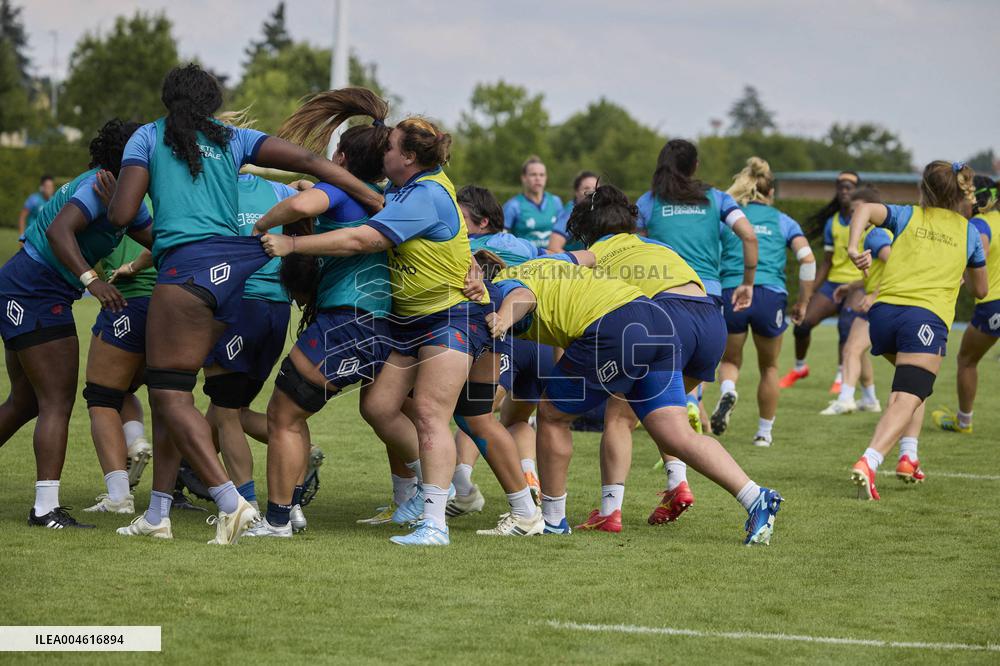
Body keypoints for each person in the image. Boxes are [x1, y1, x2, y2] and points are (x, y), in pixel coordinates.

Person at [105, 64, 381, 545]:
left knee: (170, 395)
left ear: (168, 98)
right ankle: (158, 512)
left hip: (185, 272)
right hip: (238, 272)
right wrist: (375, 200)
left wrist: (125, 207)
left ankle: (232, 504)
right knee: (179, 395)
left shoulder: (146, 137)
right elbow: (315, 165)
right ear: (214, 100)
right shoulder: (235, 138)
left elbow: (124, 215)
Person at [484, 190, 783, 544]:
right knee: (675, 432)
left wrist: (503, 314)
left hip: (641, 321)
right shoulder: (655, 245)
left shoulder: (571, 259)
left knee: (557, 414)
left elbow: (542, 281)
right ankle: (754, 496)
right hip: (699, 321)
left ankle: (557, 519)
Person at [261, 115, 492, 546]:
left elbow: (360, 240)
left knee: (428, 412)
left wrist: (291, 244)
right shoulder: (404, 189)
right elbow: (369, 199)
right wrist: (308, 184)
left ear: (406, 156)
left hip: (450, 314)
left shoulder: (424, 195)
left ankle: (437, 522)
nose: (383, 152)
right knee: (380, 406)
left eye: (390, 147)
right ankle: (440, 491)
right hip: (409, 318)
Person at [243, 87, 401, 538]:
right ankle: (289, 511)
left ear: (343, 159)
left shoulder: (338, 192)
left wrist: (263, 224)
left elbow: (298, 206)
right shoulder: (380, 197)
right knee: (292, 414)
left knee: (282, 415)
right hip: (374, 324)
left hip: (346, 321)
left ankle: (276, 520)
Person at [0, 118, 151, 529]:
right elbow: (58, 231)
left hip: (29, 287)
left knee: (27, 401)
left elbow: (159, 239)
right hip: (35, 290)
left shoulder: (123, 194)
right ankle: (45, 510)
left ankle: (45, 506)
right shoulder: (98, 186)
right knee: (55, 401)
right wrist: (93, 281)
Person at [559, 185, 730, 531]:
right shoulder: (658, 245)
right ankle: (676, 483)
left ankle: (610, 511)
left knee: (620, 416)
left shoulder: (597, 252)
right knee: (663, 413)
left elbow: (566, 279)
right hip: (712, 321)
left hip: (668, 319)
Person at [849, 161, 987, 500]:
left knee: (910, 388)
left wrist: (853, 249)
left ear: (923, 189)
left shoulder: (907, 215)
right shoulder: (969, 231)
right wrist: (958, 271)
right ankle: (871, 459)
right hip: (923, 319)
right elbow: (981, 290)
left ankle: (908, 456)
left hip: (882, 318)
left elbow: (865, 208)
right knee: (912, 391)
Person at [635, 138, 758, 502]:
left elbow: (632, 245)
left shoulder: (648, 201)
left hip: (661, 303)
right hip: (708, 304)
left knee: (635, 406)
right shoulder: (717, 198)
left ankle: (673, 481)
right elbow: (748, 235)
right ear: (696, 166)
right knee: (675, 392)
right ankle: (689, 405)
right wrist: (748, 281)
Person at [710, 158, 816, 447]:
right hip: (771, 296)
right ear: (770, 194)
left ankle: (729, 389)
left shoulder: (731, 216)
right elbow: (807, 261)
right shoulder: (784, 221)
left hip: (732, 291)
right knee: (769, 367)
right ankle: (763, 434)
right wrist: (803, 302)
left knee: (730, 359)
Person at [82, 234, 157, 513]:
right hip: (172, 304)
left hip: (126, 299)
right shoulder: (172, 194)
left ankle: (118, 497)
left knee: (102, 397)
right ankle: (134, 439)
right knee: (152, 392)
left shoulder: (115, 201)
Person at [779, 171, 861, 391]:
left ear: (857, 191)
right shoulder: (832, 223)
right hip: (833, 284)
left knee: (846, 327)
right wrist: (808, 294)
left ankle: (841, 376)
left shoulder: (866, 219)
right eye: (841, 187)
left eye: (849, 187)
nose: (845, 191)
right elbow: (826, 263)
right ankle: (799, 367)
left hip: (858, 286)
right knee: (803, 324)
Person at [932, 175, 999, 434]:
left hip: (994, 306)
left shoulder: (980, 224)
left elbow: (978, 250)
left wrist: (957, 274)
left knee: (967, 360)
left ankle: (964, 421)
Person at [820, 187, 888, 415]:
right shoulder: (880, 233)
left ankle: (846, 399)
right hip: (883, 301)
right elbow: (880, 271)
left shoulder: (876, 234)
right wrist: (852, 286)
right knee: (857, 349)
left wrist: (874, 295)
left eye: (856, 210)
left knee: (851, 349)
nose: (852, 216)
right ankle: (869, 399)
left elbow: (897, 266)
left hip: (882, 303)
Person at [503, 156, 563, 249]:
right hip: (526, 260)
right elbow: (500, 237)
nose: (538, 178)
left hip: (553, 259)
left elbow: (564, 234)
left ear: (546, 178)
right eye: (533, 175)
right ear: (524, 178)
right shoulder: (513, 206)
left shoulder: (555, 202)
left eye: (541, 175)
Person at [547, 170, 598, 253]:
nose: (592, 192)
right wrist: (577, 261)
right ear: (576, 192)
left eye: (596, 188)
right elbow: (553, 248)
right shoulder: (569, 214)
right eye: (586, 188)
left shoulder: (599, 211)